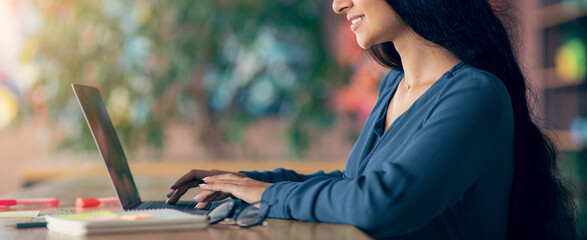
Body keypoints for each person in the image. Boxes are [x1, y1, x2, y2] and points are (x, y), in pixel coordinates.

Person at [166, 0, 578, 239]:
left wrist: (262, 193)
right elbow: (354, 185)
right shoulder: (394, 87)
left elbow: (380, 203)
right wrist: (242, 183)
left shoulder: (476, 94)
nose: (337, 3)